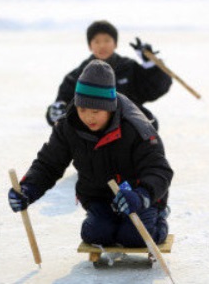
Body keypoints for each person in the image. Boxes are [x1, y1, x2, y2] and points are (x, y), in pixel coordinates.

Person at [10, 61, 173, 247]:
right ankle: (110, 222)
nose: (88, 117)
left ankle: (159, 216)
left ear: (110, 107)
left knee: (134, 237)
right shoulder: (68, 126)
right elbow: (49, 163)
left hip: (138, 196)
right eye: (82, 109)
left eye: (95, 111)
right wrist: (27, 190)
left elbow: (159, 170)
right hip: (99, 197)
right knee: (96, 235)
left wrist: (142, 195)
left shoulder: (136, 127)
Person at [46, 20, 172, 129]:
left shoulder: (128, 67)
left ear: (115, 43)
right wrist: (55, 112)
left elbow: (157, 87)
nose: (102, 45)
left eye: (107, 40)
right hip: (94, 136)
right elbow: (60, 110)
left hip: (130, 131)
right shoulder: (78, 75)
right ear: (90, 46)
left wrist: (151, 64)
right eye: (96, 41)